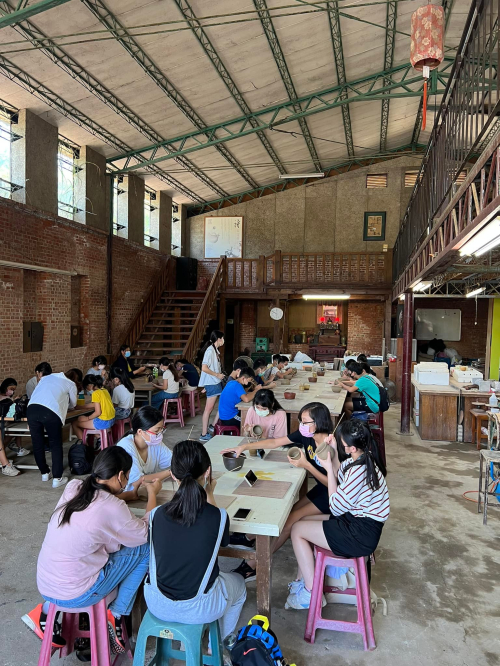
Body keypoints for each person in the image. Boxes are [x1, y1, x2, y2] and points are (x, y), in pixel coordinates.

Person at [22, 447, 161, 653]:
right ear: (120, 475)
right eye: (127, 476)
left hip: (46, 584)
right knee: (145, 548)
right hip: (77, 594)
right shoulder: (113, 507)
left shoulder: (75, 487)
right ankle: (117, 613)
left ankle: (43, 612)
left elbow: (98, 508)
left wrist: (128, 496)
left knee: (86, 553)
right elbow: (145, 533)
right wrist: (152, 494)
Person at [143, 440, 246, 643]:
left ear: (173, 475)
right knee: (239, 585)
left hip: (157, 603)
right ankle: (218, 645)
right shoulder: (218, 516)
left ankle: (189, 643)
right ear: (208, 472)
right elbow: (221, 541)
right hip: (200, 608)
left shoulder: (156, 515)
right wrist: (210, 494)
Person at [221, 402, 335, 581]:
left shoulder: (331, 444)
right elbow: (275, 442)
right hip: (321, 489)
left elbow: (334, 484)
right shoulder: (307, 435)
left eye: (305, 422)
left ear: (319, 422)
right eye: (301, 421)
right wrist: (243, 447)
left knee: (289, 522)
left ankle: (254, 564)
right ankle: (249, 538)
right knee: (288, 512)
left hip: (333, 495)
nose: (301, 425)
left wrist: (306, 465)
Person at [285, 419, 389, 609]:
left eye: (341, 442)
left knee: (297, 530)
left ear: (351, 448)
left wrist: (326, 468)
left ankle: (311, 592)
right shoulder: (361, 459)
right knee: (303, 521)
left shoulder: (359, 470)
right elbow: (340, 477)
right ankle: (303, 580)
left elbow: (335, 506)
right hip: (355, 522)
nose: (339, 444)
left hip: (359, 534)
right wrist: (332, 453)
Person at [27, 363, 77, 488]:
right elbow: (73, 404)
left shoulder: (44, 379)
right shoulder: (70, 384)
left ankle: (44, 473)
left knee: (37, 443)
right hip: (51, 412)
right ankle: (57, 478)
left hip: (31, 409)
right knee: (55, 444)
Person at [117, 406, 171, 499]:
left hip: (142, 493)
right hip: (125, 496)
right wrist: (170, 472)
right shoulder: (126, 446)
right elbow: (138, 481)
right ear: (140, 432)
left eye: (162, 429)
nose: (160, 433)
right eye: (157, 430)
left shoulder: (154, 443)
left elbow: (174, 460)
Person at [199, 331, 225, 442]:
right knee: (208, 410)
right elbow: (204, 368)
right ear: (218, 339)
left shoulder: (215, 350)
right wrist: (217, 375)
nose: (223, 340)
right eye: (222, 338)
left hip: (215, 383)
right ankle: (204, 434)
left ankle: (213, 426)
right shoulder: (210, 351)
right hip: (213, 383)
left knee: (222, 404)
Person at [72, 375, 115, 443]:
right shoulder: (104, 390)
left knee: (75, 423)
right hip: (111, 420)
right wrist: (81, 407)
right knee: (86, 421)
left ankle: (84, 446)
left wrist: (87, 418)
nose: (87, 390)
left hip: (103, 422)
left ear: (90, 385)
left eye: (86, 388)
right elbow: (95, 404)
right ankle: (99, 438)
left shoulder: (95, 393)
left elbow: (98, 412)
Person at [0, 377, 30, 459]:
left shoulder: (9, 398)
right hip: (3, 421)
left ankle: (18, 447)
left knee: (17, 426)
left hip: (7, 420)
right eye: (11, 389)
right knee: (11, 431)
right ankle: (3, 455)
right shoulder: (3, 398)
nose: (12, 391)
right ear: (5, 387)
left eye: (13, 390)